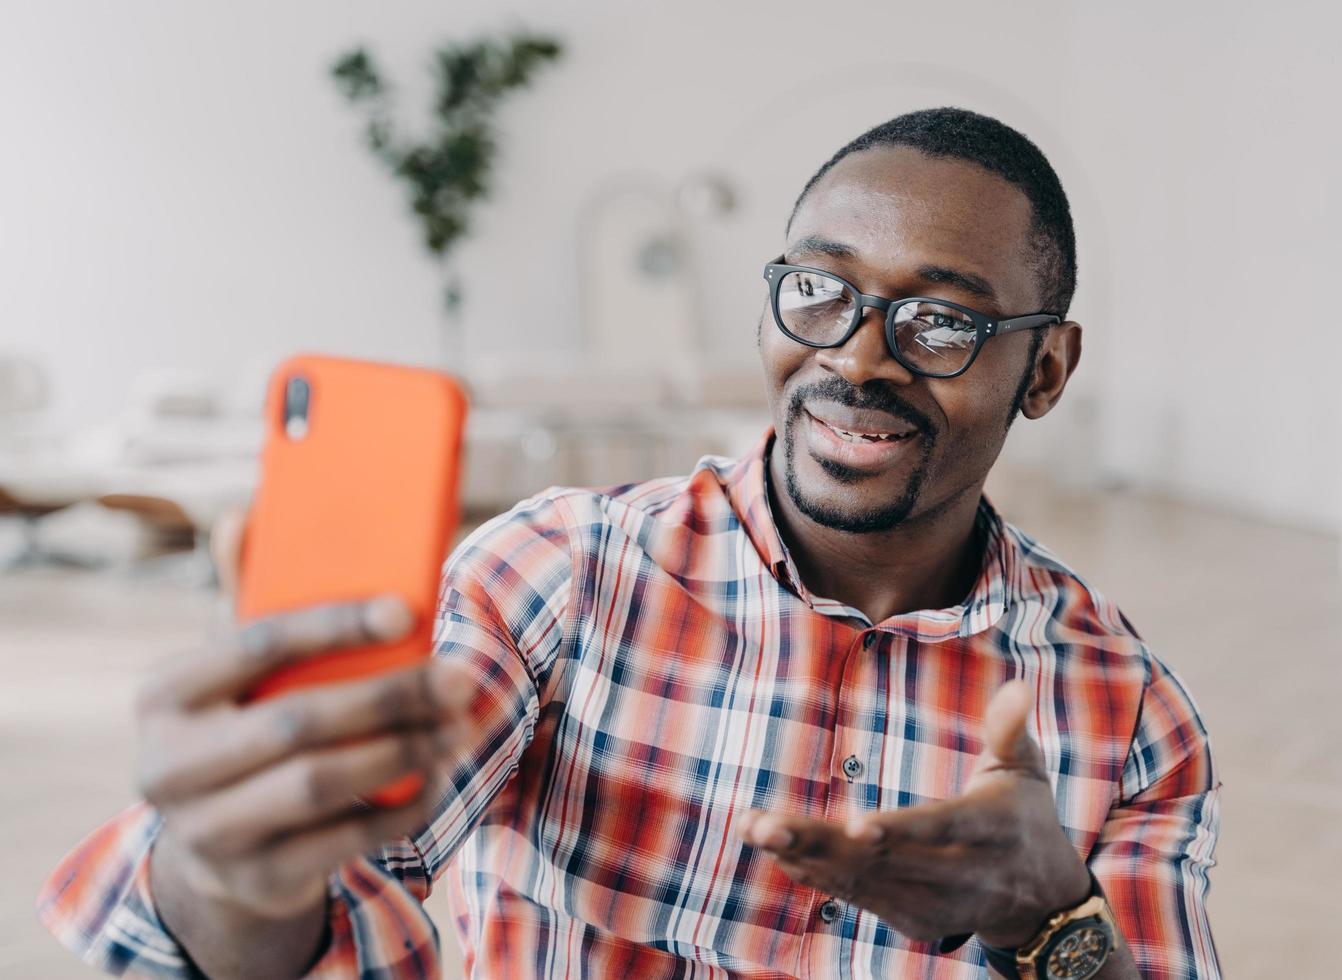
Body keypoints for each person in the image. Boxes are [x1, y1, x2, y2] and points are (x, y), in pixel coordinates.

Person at [37, 108, 1220, 980]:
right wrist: (230, 872)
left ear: (1047, 371)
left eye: (942, 319)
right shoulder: (558, 574)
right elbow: (328, 888)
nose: (857, 355)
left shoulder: (1126, 711)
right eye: (818, 289)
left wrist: (1054, 918)